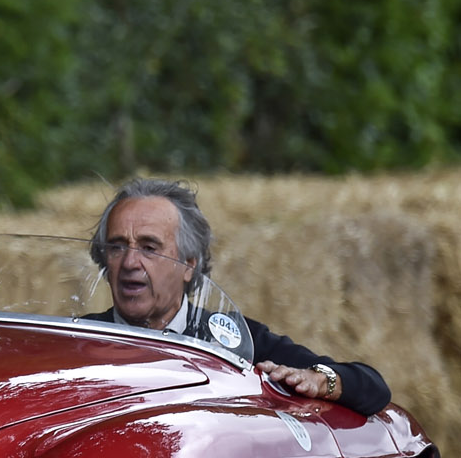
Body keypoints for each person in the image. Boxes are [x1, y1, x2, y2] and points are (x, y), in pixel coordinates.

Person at [86, 177, 391, 417]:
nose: (129, 263)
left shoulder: (233, 339)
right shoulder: (78, 340)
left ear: (189, 266)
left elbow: (372, 387)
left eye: (149, 248)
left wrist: (320, 381)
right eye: (116, 247)